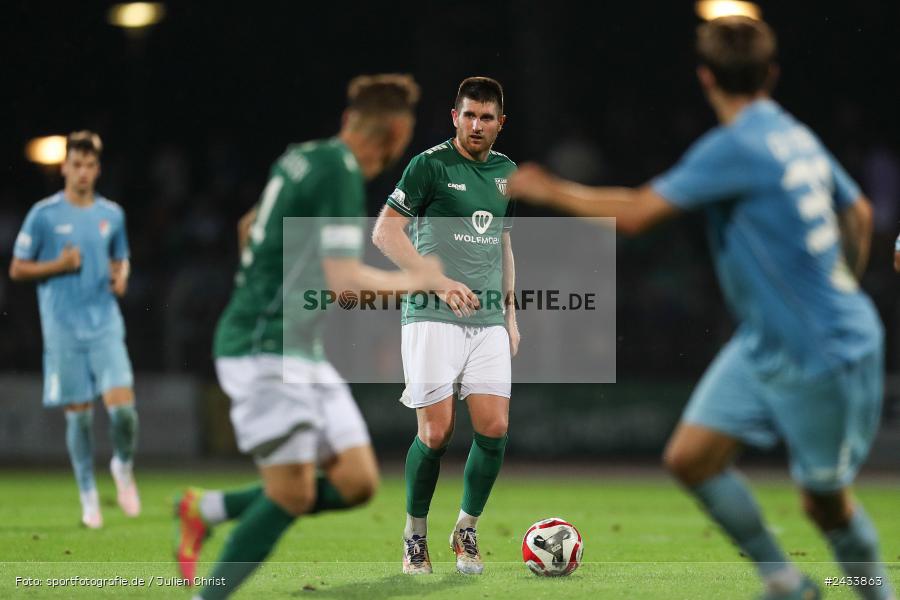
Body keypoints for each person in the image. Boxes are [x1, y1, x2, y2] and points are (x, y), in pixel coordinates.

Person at [509, 16, 895, 600]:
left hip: (824, 349)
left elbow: (637, 215)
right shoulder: (791, 132)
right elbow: (860, 213)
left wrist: (548, 189)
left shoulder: (734, 147)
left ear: (705, 77)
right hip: (765, 340)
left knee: (826, 506)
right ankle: (787, 582)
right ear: (771, 74)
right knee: (691, 458)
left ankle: (876, 592)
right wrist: (841, 278)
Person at [174, 74, 441, 600]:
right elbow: (346, 286)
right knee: (292, 494)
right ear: (393, 136)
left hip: (297, 349)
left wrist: (276, 276)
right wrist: (420, 280)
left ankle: (208, 510)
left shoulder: (304, 157)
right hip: (262, 350)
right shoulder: (340, 173)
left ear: (349, 120)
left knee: (357, 483)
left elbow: (248, 225)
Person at [372, 76, 519, 576]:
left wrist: (512, 316)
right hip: (432, 314)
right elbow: (385, 232)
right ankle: (415, 536)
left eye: (487, 117)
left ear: (501, 123)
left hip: (489, 318)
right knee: (436, 433)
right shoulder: (429, 165)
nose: (477, 125)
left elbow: (503, 245)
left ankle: (466, 528)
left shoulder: (507, 173)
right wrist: (437, 281)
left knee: (494, 428)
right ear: (454, 117)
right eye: (469, 115)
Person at [10, 131, 139, 529]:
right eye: (76, 164)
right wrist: (58, 266)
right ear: (65, 167)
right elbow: (17, 268)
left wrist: (122, 278)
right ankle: (88, 496)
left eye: (89, 165)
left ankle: (122, 465)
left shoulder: (112, 214)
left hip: (104, 324)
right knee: (79, 419)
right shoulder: (43, 215)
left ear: (97, 170)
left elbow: (122, 258)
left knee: (124, 414)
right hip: (63, 330)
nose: (82, 172)